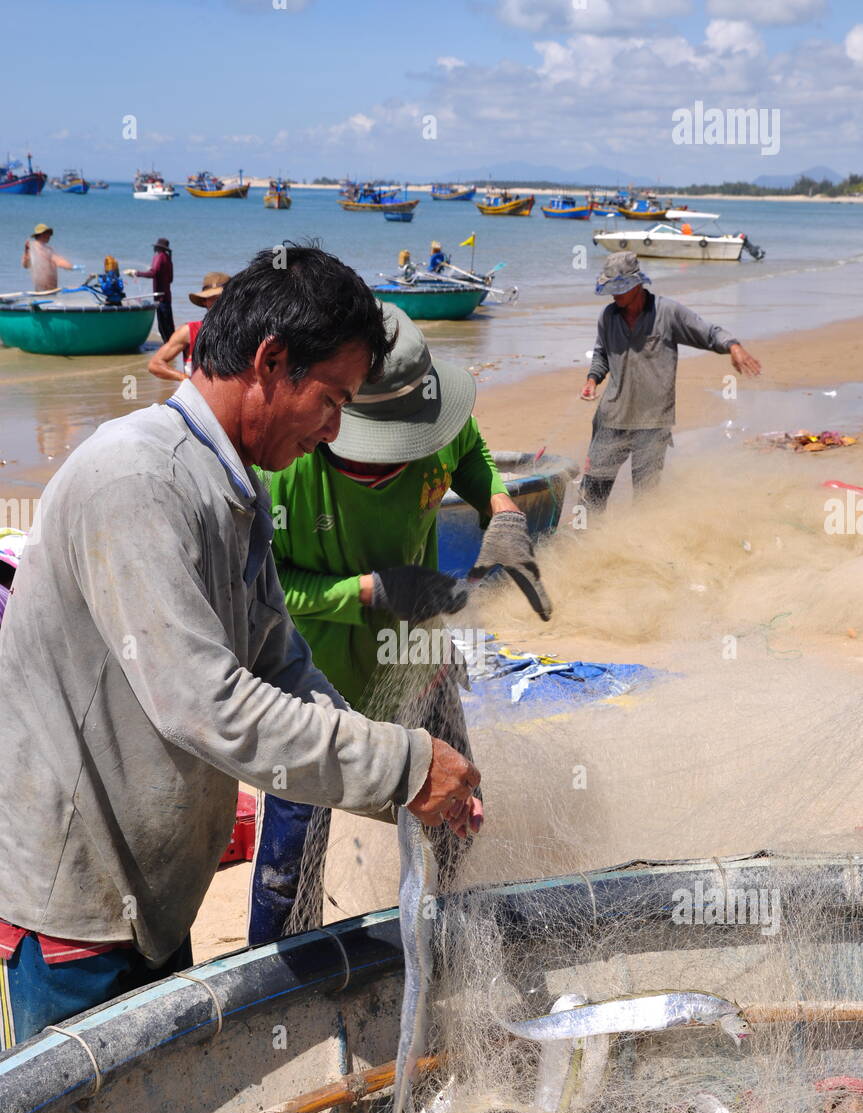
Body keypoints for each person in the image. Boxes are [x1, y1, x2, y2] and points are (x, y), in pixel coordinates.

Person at [0, 246, 480, 1049]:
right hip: (81, 905)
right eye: (329, 401)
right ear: (270, 362)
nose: (333, 429)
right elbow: (205, 703)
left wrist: (398, 778)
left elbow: (278, 664)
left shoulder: (233, 486)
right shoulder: (139, 481)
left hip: (153, 892)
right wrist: (400, 765)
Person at [249, 304, 550, 945]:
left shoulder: (438, 425)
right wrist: (368, 591)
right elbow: (262, 592)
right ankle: (283, 985)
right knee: (290, 866)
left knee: (457, 809)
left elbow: (471, 457)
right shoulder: (282, 469)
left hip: (420, 663)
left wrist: (501, 510)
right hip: (313, 683)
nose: (391, 466)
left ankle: (447, 934)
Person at [579, 251, 761, 510]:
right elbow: (601, 354)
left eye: (620, 288)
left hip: (653, 423)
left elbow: (708, 333)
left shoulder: (667, 312)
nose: (614, 294)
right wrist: (592, 380)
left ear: (637, 284)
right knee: (592, 495)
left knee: (646, 499)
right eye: (611, 288)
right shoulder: (608, 316)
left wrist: (733, 346)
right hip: (612, 418)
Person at [147, 272, 230, 383]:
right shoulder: (189, 331)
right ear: (204, 301)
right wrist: (185, 379)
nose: (219, 303)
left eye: (222, 298)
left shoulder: (244, 331)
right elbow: (155, 364)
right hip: (198, 396)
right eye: (212, 298)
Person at [126, 236, 175, 342]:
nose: (154, 249)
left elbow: (153, 273)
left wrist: (136, 273)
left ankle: (169, 351)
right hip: (167, 296)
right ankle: (173, 352)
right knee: (169, 328)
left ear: (158, 248)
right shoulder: (168, 258)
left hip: (160, 298)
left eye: (156, 247)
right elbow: (170, 279)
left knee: (163, 328)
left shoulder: (159, 257)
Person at [21, 224, 77, 292]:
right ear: (41, 234)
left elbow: (57, 260)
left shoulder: (46, 248)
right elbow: (26, 265)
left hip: (50, 288)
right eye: (48, 233)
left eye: (50, 234)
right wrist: (71, 267)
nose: (49, 236)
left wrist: (72, 267)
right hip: (43, 287)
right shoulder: (34, 247)